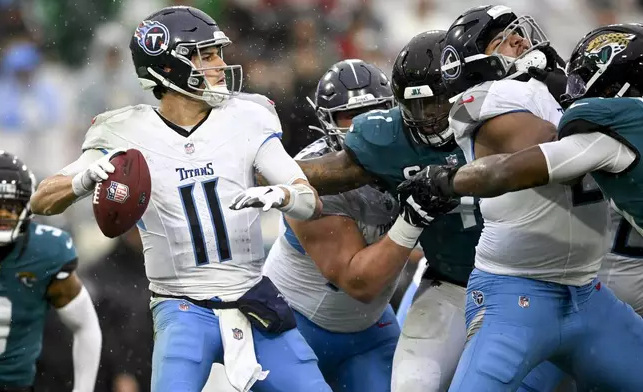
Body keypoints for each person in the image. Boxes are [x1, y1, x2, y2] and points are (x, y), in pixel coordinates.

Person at [29, 6, 330, 392]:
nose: (221, 63)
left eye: (217, 53)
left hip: (253, 297)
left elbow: (310, 202)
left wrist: (284, 194)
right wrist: (84, 179)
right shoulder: (124, 131)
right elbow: (41, 200)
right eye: (206, 55)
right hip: (181, 305)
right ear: (168, 66)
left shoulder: (248, 117)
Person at [296, 30, 559, 392]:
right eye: (413, 107)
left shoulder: (503, 117)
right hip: (449, 282)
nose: (427, 118)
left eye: (434, 104)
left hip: (526, 281)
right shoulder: (388, 141)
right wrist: (266, 171)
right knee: (412, 384)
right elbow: (318, 177)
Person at [400, 8, 643, 391]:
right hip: (515, 293)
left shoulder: (553, 90)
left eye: (519, 34)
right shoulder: (484, 96)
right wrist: (584, 97)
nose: (520, 41)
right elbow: (549, 152)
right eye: (502, 37)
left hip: (587, 292)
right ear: (468, 61)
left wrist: (576, 92)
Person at [264, 59, 412, 392]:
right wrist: (416, 217)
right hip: (291, 327)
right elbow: (359, 283)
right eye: (349, 117)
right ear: (327, 122)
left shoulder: (408, 156)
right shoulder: (310, 176)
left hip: (369, 331)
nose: (363, 126)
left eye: (375, 111)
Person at [0, 151, 101, 392]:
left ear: (26, 207)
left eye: (10, 207)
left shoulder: (44, 254)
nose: (3, 215)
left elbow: (85, 326)